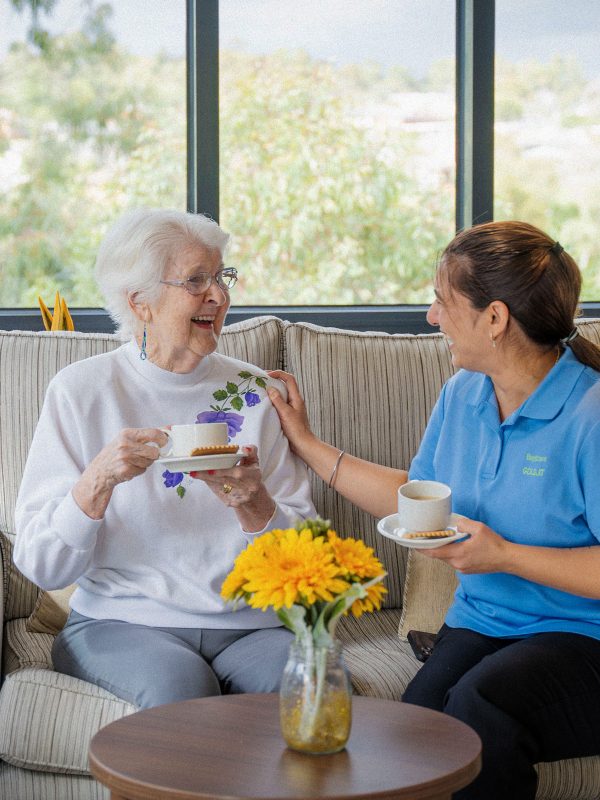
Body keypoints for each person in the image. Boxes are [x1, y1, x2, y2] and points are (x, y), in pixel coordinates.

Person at [267, 220, 600, 800]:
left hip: (583, 637)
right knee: (416, 727)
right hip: (483, 623)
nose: (431, 316)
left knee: (480, 709)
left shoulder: (590, 416)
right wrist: (306, 442)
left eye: (443, 302)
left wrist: (504, 555)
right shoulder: (464, 394)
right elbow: (417, 495)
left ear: (494, 319)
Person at [14, 207, 315, 710]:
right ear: (141, 303)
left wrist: (254, 503)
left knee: (313, 692)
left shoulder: (255, 392)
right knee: (181, 696)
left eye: (222, 277)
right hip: (121, 623)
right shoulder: (82, 390)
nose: (219, 296)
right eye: (196, 280)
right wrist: (97, 481)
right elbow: (41, 564)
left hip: (253, 626)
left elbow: (305, 561)